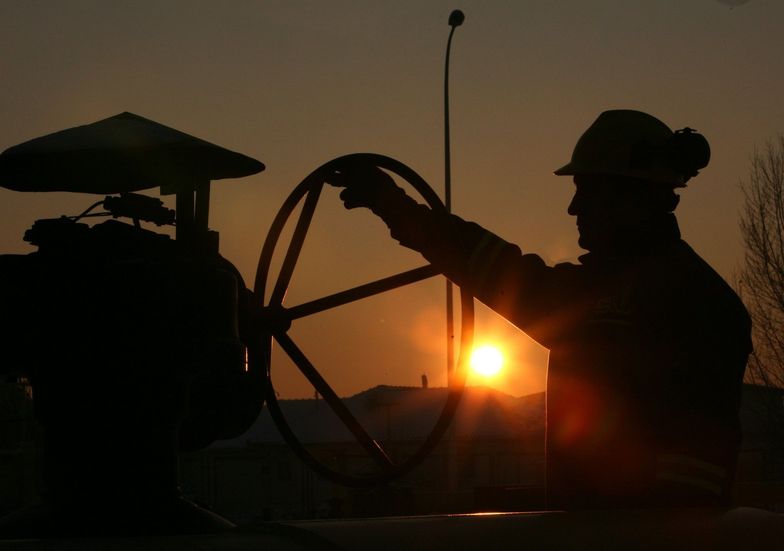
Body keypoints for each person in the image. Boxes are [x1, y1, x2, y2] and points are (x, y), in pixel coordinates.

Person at [327, 109, 752, 510]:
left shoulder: (693, 303)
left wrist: (630, 530)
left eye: (587, 192)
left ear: (633, 196)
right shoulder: (602, 291)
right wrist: (394, 206)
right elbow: (497, 268)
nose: (573, 209)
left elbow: (693, 477)